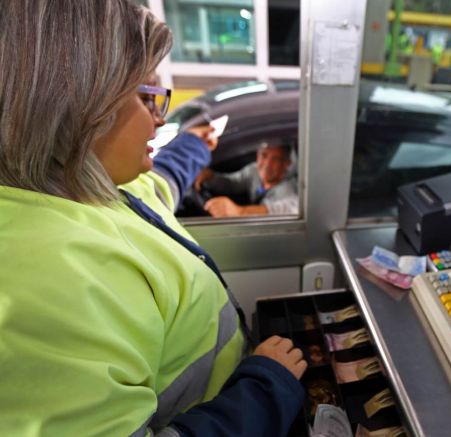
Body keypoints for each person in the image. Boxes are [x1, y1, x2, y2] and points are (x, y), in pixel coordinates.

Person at [0, 1, 306, 436]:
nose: (160, 118)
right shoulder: (41, 283)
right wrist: (263, 389)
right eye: (145, 96)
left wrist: (198, 145)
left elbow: (160, 183)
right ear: (86, 106)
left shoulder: (89, 188)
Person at [197, 142, 298, 217]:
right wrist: (209, 176)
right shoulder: (253, 171)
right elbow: (232, 183)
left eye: (276, 159)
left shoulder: (287, 188)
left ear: (287, 164)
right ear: (257, 154)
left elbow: (291, 208)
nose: (267, 165)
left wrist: (239, 212)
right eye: (264, 155)